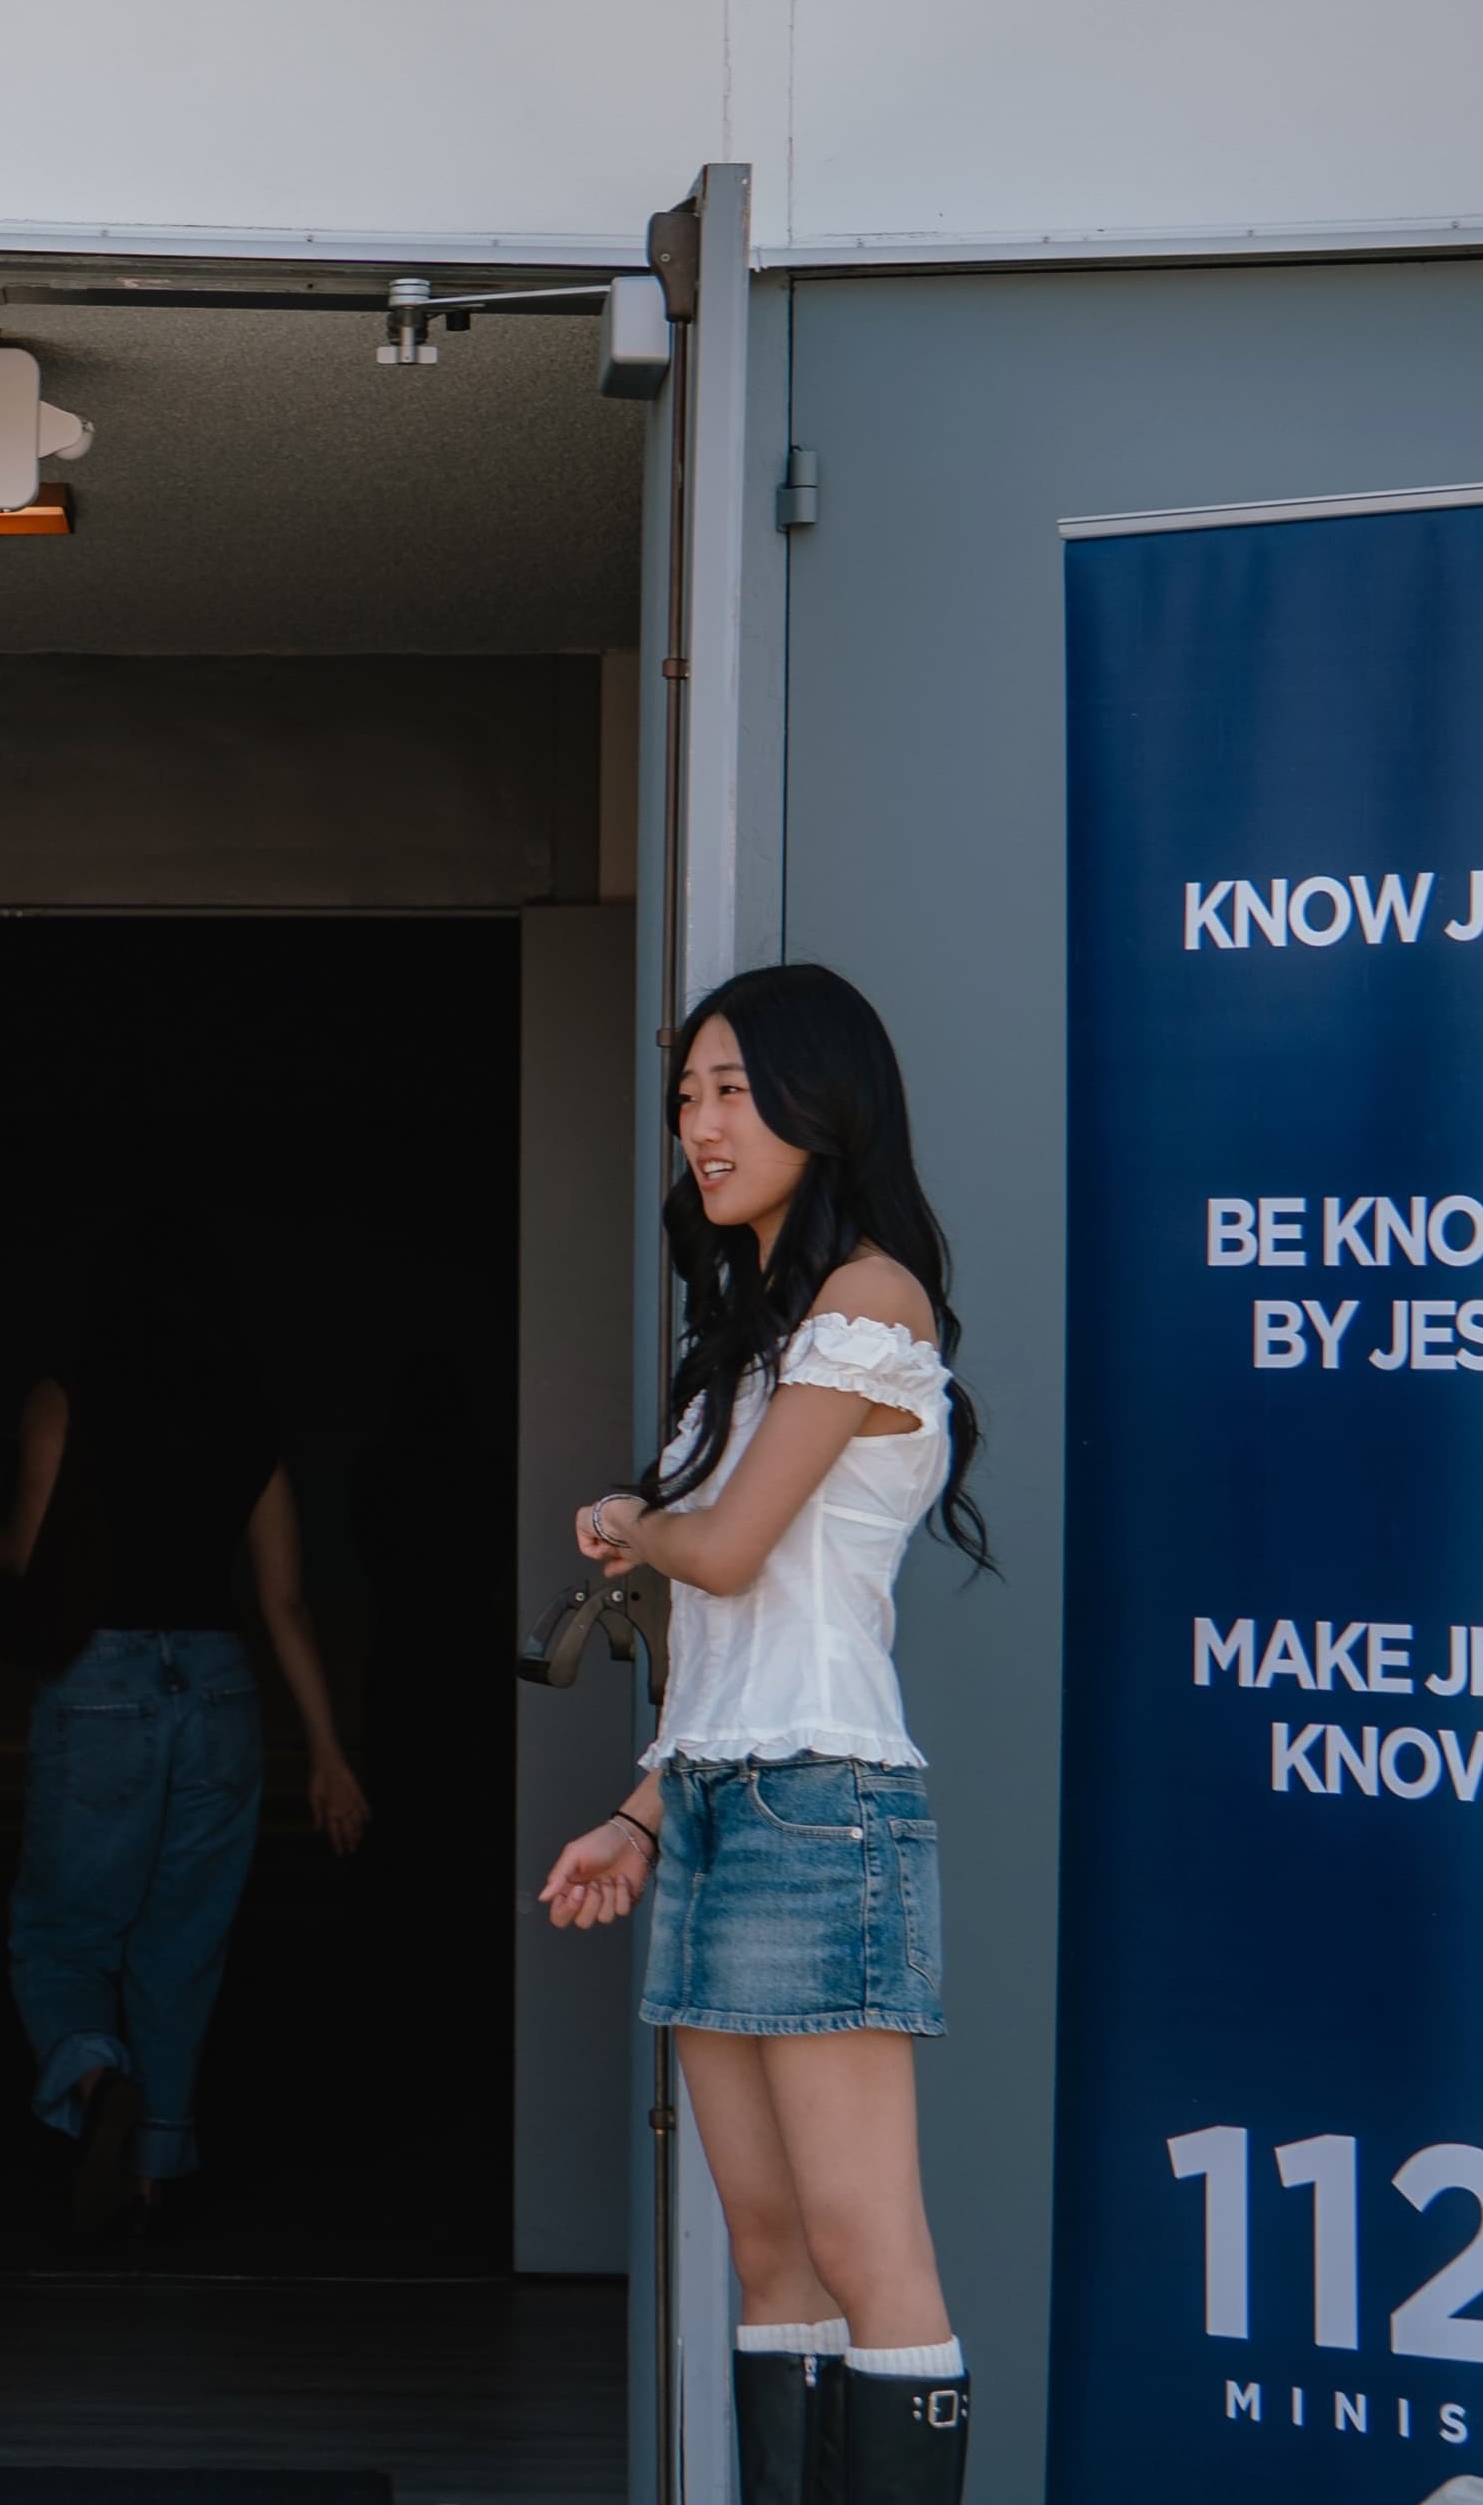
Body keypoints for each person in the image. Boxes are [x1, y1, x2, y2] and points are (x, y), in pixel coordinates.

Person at [536, 962, 992, 2505]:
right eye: (688, 1098)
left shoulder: (870, 1303)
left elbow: (724, 1557)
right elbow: (735, 1652)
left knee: (872, 2247)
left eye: (733, 1091)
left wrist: (630, 1521)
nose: (701, 1126)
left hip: (826, 1808)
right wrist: (640, 1817)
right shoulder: (749, 1346)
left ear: (826, 1100)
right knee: (768, 2249)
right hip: (728, 1803)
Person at [0, 1219, 371, 2231]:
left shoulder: (62, 1396)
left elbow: (23, 1553)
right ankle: (157, 2165)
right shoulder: (247, 1418)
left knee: (62, 1933)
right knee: (182, 1941)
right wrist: (328, 1754)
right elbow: (284, 1603)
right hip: (218, 1686)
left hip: (103, 1679)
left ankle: (88, 2073)